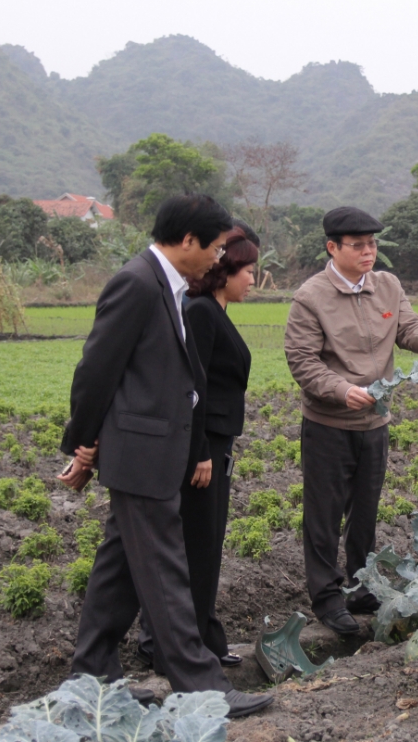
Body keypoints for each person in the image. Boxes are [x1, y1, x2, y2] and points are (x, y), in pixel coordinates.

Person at [58, 194, 272, 718]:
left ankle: (92, 677)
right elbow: (96, 370)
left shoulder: (169, 287)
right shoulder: (137, 283)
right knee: (165, 571)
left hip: (153, 451)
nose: (220, 260)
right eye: (217, 248)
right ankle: (202, 686)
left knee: (121, 570)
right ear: (188, 241)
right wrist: (81, 444)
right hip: (141, 454)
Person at [284, 206, 418, 635]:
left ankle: (362, 587)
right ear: (333, 247)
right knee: (323, 516)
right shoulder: (311, 297)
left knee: (365, 513)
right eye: (358, 245)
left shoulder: (388, 286)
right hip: (329, 423)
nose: (369, 252)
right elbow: (302, 360)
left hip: (374, 425)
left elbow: (409, 329)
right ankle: (327, 597)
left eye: (373, 244)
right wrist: (341, 390)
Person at [137, 221, 259, 671]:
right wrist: (202, 449)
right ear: (223, 270)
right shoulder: (202, 311)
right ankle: (182, 643)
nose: (252, 278)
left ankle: (201, 639)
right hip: (204, 447)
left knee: (207, 545)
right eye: (247, 269)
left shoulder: (215, 311)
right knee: (197, 546)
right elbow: (195, 385)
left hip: (219, 442)